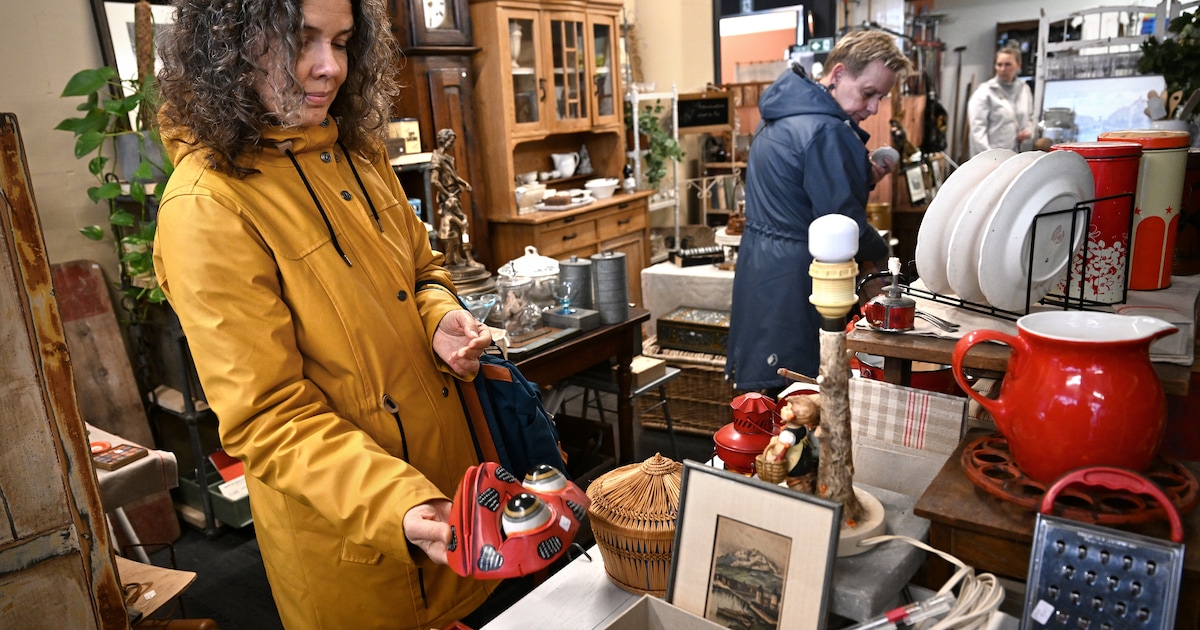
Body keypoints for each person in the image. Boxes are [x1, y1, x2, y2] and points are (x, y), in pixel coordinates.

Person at [152, 0, 500, 627]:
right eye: (301, 39)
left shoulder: (357, 155)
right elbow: (268, 417)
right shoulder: (207, 207)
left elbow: (422, 271)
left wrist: (439, 315)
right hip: (365, 543)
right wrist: (399, 505)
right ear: (228, 46)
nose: (329, 67)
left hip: (449, 495)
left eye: (341, 43)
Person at [725, 29, 911, 393]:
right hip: (798, 278)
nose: (873, 107)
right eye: (868, 93)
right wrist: (882, 255)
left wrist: (859, 174)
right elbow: (841, 223)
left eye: (881, 97)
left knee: (767, 393)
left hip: (760, 264)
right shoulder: (827, 131)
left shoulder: (784, 111)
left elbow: (799, 187)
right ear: (838, 74)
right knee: (799, 393)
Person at [967, 45, 1034, 156]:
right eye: (999, 65)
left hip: (1018, 155)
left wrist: (1028, 131)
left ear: (1018, 65)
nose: (1003, 69)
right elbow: (977, 132)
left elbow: (1030, 118)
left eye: (1008, 65)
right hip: (994, 158)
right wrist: (989, 158)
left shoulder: (1024, 89)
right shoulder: (984, 92)